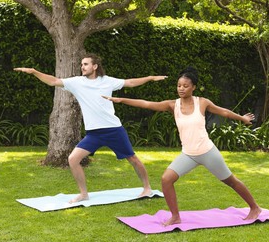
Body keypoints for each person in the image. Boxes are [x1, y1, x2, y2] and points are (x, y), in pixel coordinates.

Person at [103, 67, 262, 226]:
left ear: (193, 87)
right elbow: (147, 104)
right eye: (179, 85)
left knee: (231, 181)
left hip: (207, 152)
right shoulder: (173, 105)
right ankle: (175, 216)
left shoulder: (202, 102)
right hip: (188, 155)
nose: (181, 89)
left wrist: (242, 118)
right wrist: (121, 100)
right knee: (166, 179)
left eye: (185, 86)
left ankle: (255, 208)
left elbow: (224, 113)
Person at [14, 53, 167, 203]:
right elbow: (53, 81)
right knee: (73, 159)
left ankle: (147, 188)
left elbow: (130, 83)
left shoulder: (107, 81)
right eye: (82, 64)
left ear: (95, 66)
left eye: (85, 64)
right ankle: (83, 194)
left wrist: (150, 78)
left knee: (132, 158)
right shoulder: (77, 82)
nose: (82, 67)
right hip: (94, 133)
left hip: (113, 129)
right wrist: (34, 72)